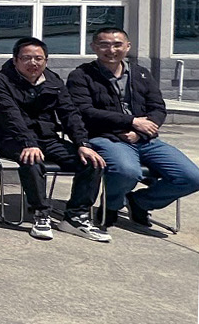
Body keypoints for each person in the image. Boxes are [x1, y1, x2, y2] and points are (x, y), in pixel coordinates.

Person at [67, 26, 199, 230]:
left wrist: (139, 131)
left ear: (128, 46)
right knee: (127, 171)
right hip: (107, 138)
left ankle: (140, 202)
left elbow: (157, 108)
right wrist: (132, 122)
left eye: (117, 45)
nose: (111, 50)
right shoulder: (81, 75)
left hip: (144, 139)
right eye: (104, 45)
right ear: (93, 47)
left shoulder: (141, 74)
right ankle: (111, 206)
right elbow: (84, 111)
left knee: (191, 177)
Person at [0, 36, 109, 241]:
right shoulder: (2, 81)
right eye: (26, 58)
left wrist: (83, 144)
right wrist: (28, 143)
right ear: (15, 60)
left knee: (91, 162)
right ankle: (41, 214)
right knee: (32, 159)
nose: (33, 63)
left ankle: (75, 217)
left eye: (38, 58)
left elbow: (69, 113)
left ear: (46, 60)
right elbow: (11, 117)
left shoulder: (53, 81)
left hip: (48, 138)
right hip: (13, 139)